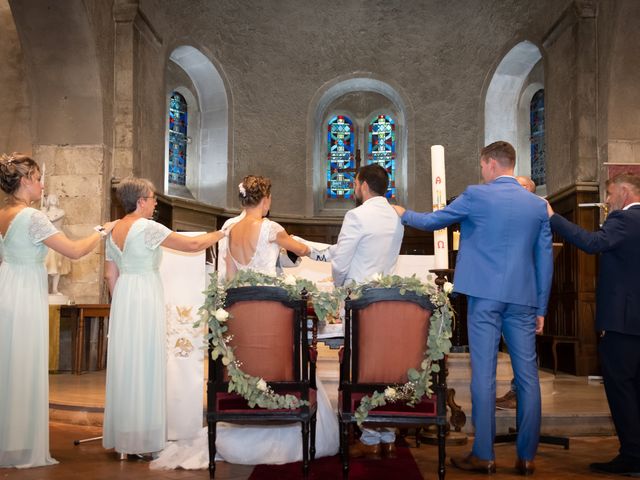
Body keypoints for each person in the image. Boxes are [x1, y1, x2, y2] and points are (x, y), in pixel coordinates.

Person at [151, 175, 339, 469]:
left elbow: (227, 274)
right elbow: (301, 251)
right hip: (271, 314)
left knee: (246, 356)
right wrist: (329, 252)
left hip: (239, 313)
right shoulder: (270, 228)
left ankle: (244, 401)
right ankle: (290, 411)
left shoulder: (228, 228)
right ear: (265, 200)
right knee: (291, 351)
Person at [394, 141, 553, 475]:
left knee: (484, 374)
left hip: (484, 295)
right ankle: (526, 457)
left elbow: (433, 221)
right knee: (528, 377)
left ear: (490, 163)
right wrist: (541, 306)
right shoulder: (537, 206)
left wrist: (402, 213)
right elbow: (544, 259)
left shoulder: (477, 195)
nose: (482, 172)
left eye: (483, 166)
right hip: (524, 298)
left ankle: (485, 454)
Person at [0, 153, 117, 468]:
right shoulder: (33, 217)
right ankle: (21, 445)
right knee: (23, 364)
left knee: (9, 366)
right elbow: (76, 251)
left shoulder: (2, 214)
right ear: (25, 181)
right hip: (24, 292)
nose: (42, 185)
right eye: (38, 179)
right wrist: (102, 230)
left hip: (6, 287)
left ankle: (7, 440)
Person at [102, 177, 225, 458]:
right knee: (146, 363)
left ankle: (124, 437)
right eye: (153, 197)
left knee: (127, 364)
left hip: (123, 298)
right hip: (145, 294)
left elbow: (110, 275)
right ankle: (144, 440)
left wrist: (120, 303)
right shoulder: (146, 227)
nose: (156, 202)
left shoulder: (113, 229)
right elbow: (192, 246)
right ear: (141, 201)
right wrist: (219, 235)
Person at [548, 172, 640, 476]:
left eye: (611, 194)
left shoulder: (624, 220)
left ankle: (632, 456)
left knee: (621, 389)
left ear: (625, 193)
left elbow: (592, 242)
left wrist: (553, 217)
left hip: (623, 324)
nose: (608, 201)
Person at [329, 163, 405, 459]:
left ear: (361, 185)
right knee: (384, 366)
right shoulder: (397, 216)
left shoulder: (356, 216)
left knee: (360, 368)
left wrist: (337, 288)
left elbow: (340, 262)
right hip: (387, 301)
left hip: (359, 303)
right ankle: (387, 433)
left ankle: (371, 437)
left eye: (354, 184)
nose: (353, 189)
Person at [495, 175, 538, 411]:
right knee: (511, 346)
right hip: (503, 290)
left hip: (525, 294)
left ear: (530, 192)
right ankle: (516, 391)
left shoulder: (535, 217)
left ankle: (520, 393)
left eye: (522, 187)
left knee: (524, 350)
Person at [42, 194, 71, 296]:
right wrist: (44, 211)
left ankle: (54, 289)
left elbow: (51, 219)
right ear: (48, 201)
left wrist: (44, 212)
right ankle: (44, 288)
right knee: (46, 263)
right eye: (51, 198)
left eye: (55, 198)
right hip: (48, 238)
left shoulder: (60, 212)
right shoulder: (44, 212)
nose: (53, 200)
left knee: (58, 264)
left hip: (58, 236)